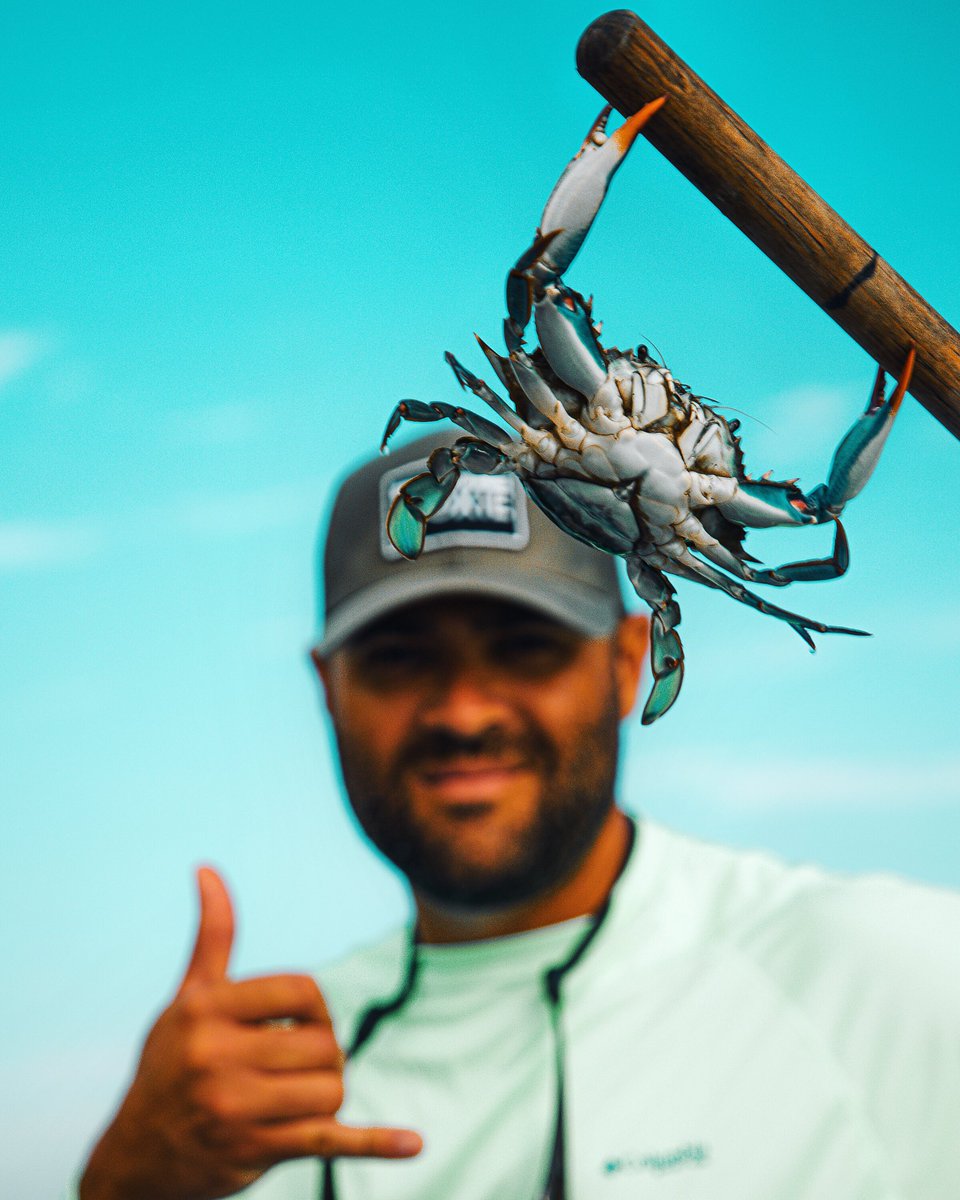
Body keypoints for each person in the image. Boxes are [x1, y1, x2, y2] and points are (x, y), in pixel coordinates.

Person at [73, 433, 960, 1200]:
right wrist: (123, 1185)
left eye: (526, 646)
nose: (462, 711)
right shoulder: (235, 1105)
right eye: (398, 658)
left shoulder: (887, 980)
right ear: (328, 689)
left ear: (627, 664)